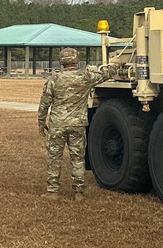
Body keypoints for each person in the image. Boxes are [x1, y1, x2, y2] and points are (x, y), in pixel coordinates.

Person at [37, 47, 126, 201]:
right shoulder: (86, 76)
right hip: (78, 124)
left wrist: (41, 121)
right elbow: (106, 74)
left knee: (54, 158)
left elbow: (44, 103)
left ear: (62, 61)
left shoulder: (54, 79)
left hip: (57, 124)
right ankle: (79, 192)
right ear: (76, 59)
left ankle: (52, 191)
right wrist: (117, 63)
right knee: (77, 158)